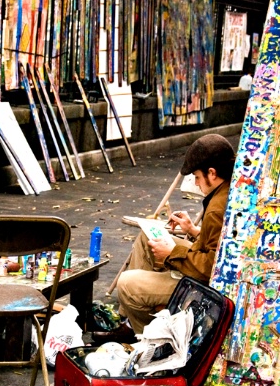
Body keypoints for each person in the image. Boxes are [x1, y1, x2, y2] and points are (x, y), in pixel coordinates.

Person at [93, 134, 235, 340]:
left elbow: (212, 267)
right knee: (146, 236)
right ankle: (128, 321)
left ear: (211, 173)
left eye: (197, 176)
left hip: (206, 287)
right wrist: (193, 230)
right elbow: (215, 244)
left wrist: (171, 254)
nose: (196, 184)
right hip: (201, 264)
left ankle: (152, 338)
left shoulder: (216, 208)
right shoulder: (227, 189)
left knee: (126, 283)